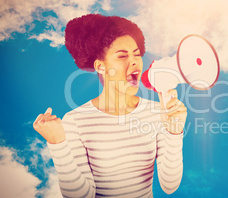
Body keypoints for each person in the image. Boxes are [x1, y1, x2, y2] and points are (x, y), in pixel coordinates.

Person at [33, 14, 187, 197]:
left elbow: (170, 185)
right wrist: (57, 143)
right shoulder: (75, 121)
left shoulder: (157, 112)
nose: (134, 61)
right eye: (122, 56)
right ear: (100, 66)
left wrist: (174, 131)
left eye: (137, 54)